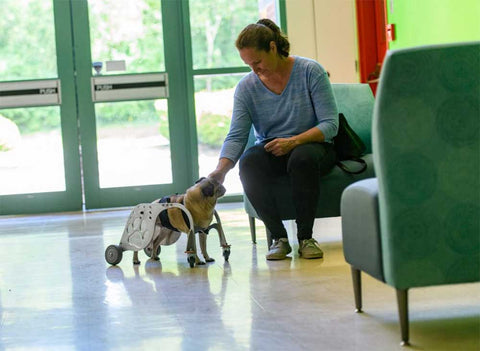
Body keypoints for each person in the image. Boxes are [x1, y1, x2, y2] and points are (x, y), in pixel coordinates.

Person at [208, 19, 338, 260]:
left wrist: (294, 141)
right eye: (248, 65)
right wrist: (220, 170)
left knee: (301, 158)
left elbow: (330, 125)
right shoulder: (247, 87)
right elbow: (236, 135)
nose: (254, 70)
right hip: (274, 148)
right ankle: (278, 238)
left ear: (273, 47)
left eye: (257, 62)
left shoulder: (310, 71)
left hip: (314, 145)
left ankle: (306, 237)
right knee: (249, 162)